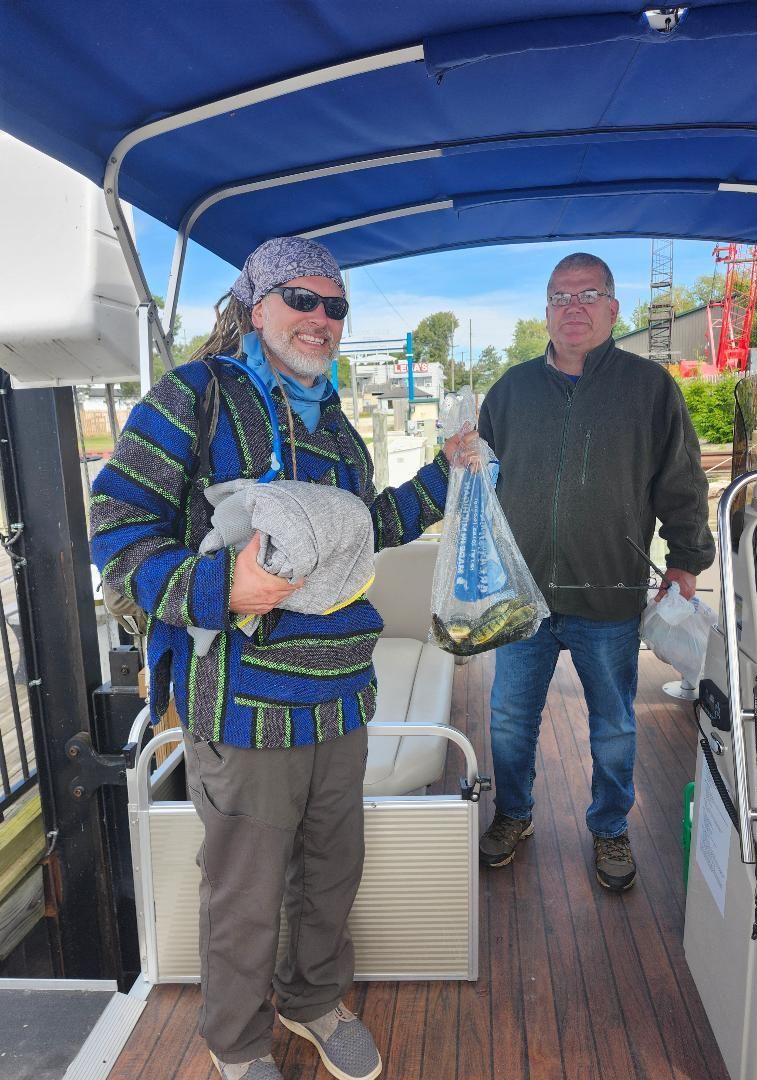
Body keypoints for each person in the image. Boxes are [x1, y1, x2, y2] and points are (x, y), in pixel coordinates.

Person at [90, 236, 473, 1080]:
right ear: (255, 306)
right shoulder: (195, 396)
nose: (321, 318)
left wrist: (446, 477)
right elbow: (115, 527)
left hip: (342, 698)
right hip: (244, 708)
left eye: (335, 306)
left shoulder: (336, 427)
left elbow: (368, 529)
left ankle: (313, 1001)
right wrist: (219, 586)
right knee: (245, 891)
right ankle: (237, 1042)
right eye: (302, 299)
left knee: (332, 873)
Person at [477, 252, 715, 891]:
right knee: (509, 718)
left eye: (587, 295)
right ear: (546, 312)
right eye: (560, 296)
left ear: (612, 308)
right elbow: (477, 485)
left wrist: (686, 559)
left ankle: (610, 826)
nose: (573, 307)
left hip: (609, 593)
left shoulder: (649, 387)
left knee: (613, 726)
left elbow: (682, 480)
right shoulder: (510, 390)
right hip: (522, 597)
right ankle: (513, 813)